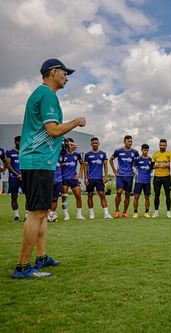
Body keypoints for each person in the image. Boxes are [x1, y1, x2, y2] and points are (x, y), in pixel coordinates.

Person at [13, 58, 86, 279]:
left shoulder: (42, 95)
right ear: (53, 72)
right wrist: (77, 122)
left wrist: (63, 144)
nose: (67, 77)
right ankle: (23, 267)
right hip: (37, 161)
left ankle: (42, 257)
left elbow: (45, 133)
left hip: (40, 161)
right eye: (65, 73)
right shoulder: (47, 95)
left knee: (43, 213)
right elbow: (53, 130)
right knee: (36, 214)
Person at [110, 135, 139, 218]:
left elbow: (137, 163)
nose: (130, 143)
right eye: (128, 141)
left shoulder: (135, 152)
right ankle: (117, 210)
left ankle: (125, 212)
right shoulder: (118, 151)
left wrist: (135, 170)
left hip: (129, 176)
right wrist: (114, 170)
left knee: (127, 194)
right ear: (124, 142)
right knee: (119, 192)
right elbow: (111, 159)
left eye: (131, 141)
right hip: (120, 175)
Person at [84, 137, 112, 219]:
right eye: (93, 143)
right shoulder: (87, 154)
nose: (95, 144)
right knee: (90, 195)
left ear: (98, 144)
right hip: (90, 178)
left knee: (102, 195)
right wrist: (85, 178)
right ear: (91, 144)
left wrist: (106, 176)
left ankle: (106, 213)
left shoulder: (103, 154)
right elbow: (85, 167)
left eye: (96, 143)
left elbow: (105, 166)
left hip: (99, 178)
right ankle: (91, 213)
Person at [61, 138, 85, 220]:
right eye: (69, 144)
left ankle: (79, 215)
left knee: (78, 196)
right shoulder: (62, 153)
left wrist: (79, 174)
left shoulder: (77, 154)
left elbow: (82, 164)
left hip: (73, 178)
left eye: (72, 144)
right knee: (64, 197)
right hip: (64, 179)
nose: (71, 146)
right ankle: (66, 215)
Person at [151, 139, 171, 218]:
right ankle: (156, 212)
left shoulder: (169, 154)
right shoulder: (155, 154)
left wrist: (167, 165)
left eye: (163, 145)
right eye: (160, 145)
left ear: (166, 146)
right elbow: (151, 166)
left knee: (168, 195)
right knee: (156, 195)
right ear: (159, 145)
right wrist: (155, 166)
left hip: (166, 177)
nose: (162, 146)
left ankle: (168, 212)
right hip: (157, 177)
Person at [5, 136, 23, 221]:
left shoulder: (25, 152)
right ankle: (16, 215)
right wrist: (17, 174)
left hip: (24, 177)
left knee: (29, 196)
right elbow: (8, 165)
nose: (21, 143)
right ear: (16, 142)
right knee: (14, 196)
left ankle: (27, 215)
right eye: (19, 142)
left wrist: (23, 174)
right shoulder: (10, 152)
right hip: (13, 177)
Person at [133, 144, 153, 218]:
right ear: (141, 150)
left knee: (147, 197)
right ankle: (135, 212)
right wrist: (137, 174)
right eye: (144, 150)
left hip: (147, 181)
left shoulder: (150, 159)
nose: (146, 152)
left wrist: (149, 175)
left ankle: (146, 212)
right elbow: (134, 167)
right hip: (139, 181)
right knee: (136, 196)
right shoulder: (138, 159)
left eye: (147, 150)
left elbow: (151, 169)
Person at [48, 151, 64, 222]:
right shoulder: (47, 157)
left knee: (55, 198)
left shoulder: (60, 158)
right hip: (49, 181)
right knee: (48, 199)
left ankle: (52, 215)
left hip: (58, 181)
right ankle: (48, 215)